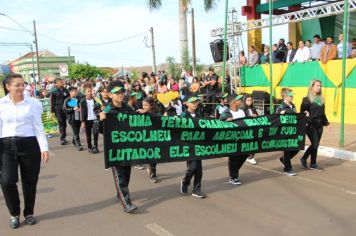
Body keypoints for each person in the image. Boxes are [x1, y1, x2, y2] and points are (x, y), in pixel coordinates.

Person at [0, 73, 49, 229]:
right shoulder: (1, 104)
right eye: (17, 85)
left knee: (29, 181)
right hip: (6, 145)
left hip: (29, 144)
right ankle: (14, 213)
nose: (22, 88)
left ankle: (29, 213)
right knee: (7, 180)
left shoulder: (32, 103)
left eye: (23, 84)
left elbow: (38, 127)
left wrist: (44, 147)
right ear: (8, 87)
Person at [99, 81, 138, 213]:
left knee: (127, 174)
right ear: (110, 95)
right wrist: (101, 120)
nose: (120, 95)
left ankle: (120, 194)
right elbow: (99, 130)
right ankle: (126, 202)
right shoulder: (107, 110)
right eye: (117, 93)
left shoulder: (128, 109)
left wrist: (142, 114)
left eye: (122, 92)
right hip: (115, 150)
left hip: (128, 148)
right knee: (120, 175)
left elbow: (136, 124)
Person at [300, 80, 330, 170]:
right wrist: (305, 114)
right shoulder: (306, 99)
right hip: (310, 124)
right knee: (315, 144)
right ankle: (304, 158)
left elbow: (322, 113)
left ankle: (313, 163)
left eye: (320, 86)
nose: (319, 87)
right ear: (311, 87)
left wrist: (327, 123)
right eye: (317, 85)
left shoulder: (321, 99)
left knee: (315, 144)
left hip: (319, 124)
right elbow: (302, 112)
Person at [180, 96, 206, 198]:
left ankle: (197, 189)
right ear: (186, 103)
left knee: (199, 169)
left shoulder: (199, 114)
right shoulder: (184, 115)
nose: (195, 104)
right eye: (192, 102)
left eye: (196, 102)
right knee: (193, 166)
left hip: (198, 144)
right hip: (188, 145)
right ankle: (185, 182)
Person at [220, 94, 248, 185]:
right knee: (234, 158)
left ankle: (234, 171)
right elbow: (218, 124)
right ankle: (233, 177)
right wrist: (226, 122)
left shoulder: (243, 111)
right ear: (233, 102)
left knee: (244, 154)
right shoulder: (226, 113)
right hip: (232, 139)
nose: (241, 101)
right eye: (239, 100)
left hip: (243, 137)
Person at [137, 97, 161, 183]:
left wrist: (147, 113)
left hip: (154, 137)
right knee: (148, 155)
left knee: (154, 156)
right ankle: (151, 171)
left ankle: (153, 173)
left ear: (151, 105)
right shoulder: (140, 113)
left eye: (146, 105)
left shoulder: (156, 113)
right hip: (144, 137)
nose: (144, 107)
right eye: (143, 105)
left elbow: (159, 118)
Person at [275, 88, 299, 176]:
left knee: (297, 147)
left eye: (292, 95)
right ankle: (288, 168)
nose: (292, 97)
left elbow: (296, 117)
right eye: (290, 95)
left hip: (293, 131)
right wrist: (279, 115)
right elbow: (275, 120)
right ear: (284, 96)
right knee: (287, 150)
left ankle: (283, 160)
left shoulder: (293, 106)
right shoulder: (280, 107)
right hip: (284, 132)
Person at [80, 84, 101, 154]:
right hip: (87, 120)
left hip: (95, 119)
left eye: (91, 91)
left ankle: (96, 146)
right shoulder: (82, 101)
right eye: (88, 91)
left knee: (95, 133)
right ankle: (89, 147)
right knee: (88, 134)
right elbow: (82, 112)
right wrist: (82, 121)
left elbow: (100, 107)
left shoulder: (95, 99)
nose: (90, 92)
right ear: (85, 92)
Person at [63, 86, 83, 151]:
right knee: (75, 131)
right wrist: (72, 109)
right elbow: (64, 109)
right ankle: (78, 144)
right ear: (70, 92)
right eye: (74, 92)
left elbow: (82, 106)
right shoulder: (67, 100)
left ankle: (74, 140)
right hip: (72, 118)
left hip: (78, 117)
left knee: (77, 131)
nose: (76, 93)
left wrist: (80, 109)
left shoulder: (78, 99)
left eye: (76, 91)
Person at [50, 78, 69, 145]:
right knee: (61, 123)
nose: (62, 83)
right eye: (60, 82)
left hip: (66, 109)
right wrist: (52, 111)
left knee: (65, 124)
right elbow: (52, 101)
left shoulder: (66, 90)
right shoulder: (54, 91)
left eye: (62, 82)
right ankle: (62, 138)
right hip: (58, 110)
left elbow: (70, 99)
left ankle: (64, 136)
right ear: (56, 84)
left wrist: (74, 106)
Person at [242, 94, 258, 165]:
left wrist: (256, 116)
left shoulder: (253, 109)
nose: (250, 102)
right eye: (248, 100)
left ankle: (250, 157)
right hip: (245, 128)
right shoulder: (242, 109)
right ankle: (247, 155)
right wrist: (249, 116)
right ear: (244, 101)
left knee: (254, 142)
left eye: (251, 100)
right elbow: (241, 118)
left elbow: (258, 117)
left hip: (253, 127)